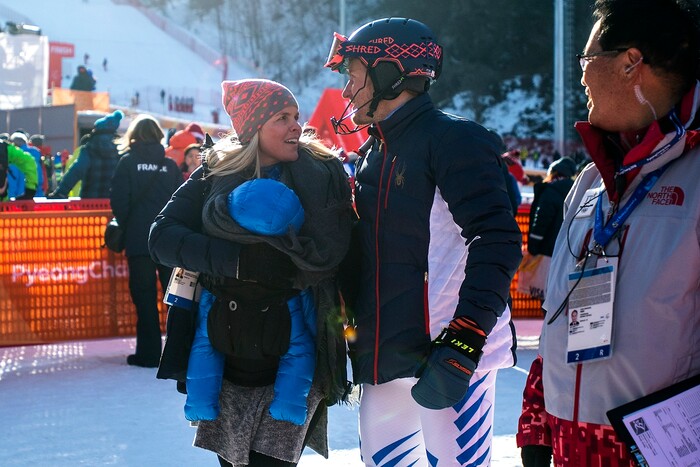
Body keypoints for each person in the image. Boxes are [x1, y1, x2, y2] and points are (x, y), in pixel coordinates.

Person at [324, 18, 523, 466]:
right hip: (385, 352)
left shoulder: (456, 139)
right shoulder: (374, 150)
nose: (347, 90)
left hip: (447, 351)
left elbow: (497, 241)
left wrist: (465, 341)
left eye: (353, 74)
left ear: (390, 75)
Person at [517, 1, 700, 466]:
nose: (580, 78)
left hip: (661, 448)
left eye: (586, 60)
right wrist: (538, 422)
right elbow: (566, 314)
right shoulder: (590, 182)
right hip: (571, 444)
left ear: (630, 63)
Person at [149, 79, 355, 467]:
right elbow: (161, 237)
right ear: (253, 126)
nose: (297, 126)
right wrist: (238, 262)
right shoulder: (215, 173)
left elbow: (343, 250)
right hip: (227, 354)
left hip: (299, 350)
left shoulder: (325, 173)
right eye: (282, 118)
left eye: (296, 116)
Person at [109, 114, 182, 368]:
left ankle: (149, 354)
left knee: (144, 297)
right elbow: (180, 203)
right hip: (167, 241)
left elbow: (119, 201)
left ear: (134, 136)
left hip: (139, 241)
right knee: (176, 299)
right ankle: (179, 355)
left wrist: (131, 226)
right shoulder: (170, 166)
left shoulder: (127, 163)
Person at [524, 156, 576, 302]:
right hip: (572, 252)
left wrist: (533, 248)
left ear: (553, 172)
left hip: (548, 252)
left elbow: (541, 222)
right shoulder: (579, 190)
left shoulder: (550, 191)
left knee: (547, 298)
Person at [48, 110, 123, 199]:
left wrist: (61, 193)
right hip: (113, 203)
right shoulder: (120, 150)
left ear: (97, 129)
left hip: (89, 203)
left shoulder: (89, 149)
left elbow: (76, 171)